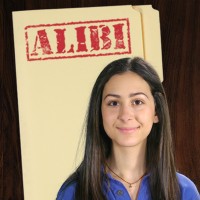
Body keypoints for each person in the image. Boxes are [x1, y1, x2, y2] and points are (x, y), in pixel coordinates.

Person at [57, 57, 200, 200]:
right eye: (113, 103)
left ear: (156, 111)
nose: (125, 115)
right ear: (99, 113)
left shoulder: (184, 191)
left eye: (137, 102)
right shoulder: (73, 192)